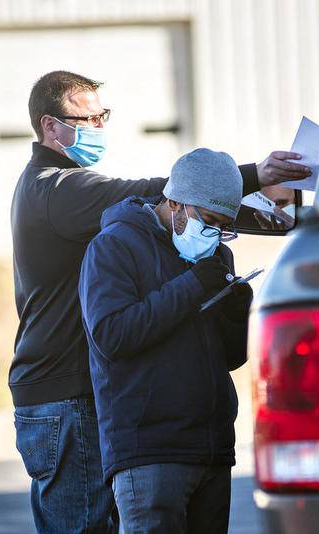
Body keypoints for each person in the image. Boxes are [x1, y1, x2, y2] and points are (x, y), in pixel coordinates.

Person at [9, 70, 310, 533]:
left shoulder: (64, 191)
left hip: (74, 389)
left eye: (102, 116)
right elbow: (148, 193)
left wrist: (275, 215)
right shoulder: (55, 188)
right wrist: (251, 175)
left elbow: (183, 209)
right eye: (86, 119)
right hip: (63, 393)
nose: (98, 127)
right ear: (50, 127)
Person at [79, 148, 252, 534]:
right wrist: (191, 286)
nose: (213, 235)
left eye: (224, 226)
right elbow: (112, 335)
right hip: (149, 453)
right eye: (208, 221)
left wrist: (237, 311)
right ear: (174, 203)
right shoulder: (114, 247)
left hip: (211, 450)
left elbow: (228, 357)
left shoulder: (216, 255)